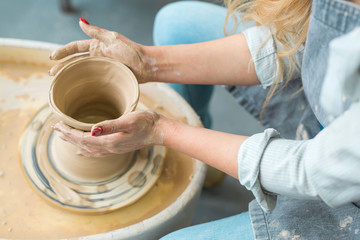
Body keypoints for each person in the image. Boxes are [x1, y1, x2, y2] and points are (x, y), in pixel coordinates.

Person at [49, 0, 360, 239]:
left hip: (345, 191)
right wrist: (148, 62)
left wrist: (161, 131)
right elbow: (294, 42)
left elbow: (307, 170)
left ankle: (206, 156)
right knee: (178, 22)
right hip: (332, 114)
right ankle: (209, 163)